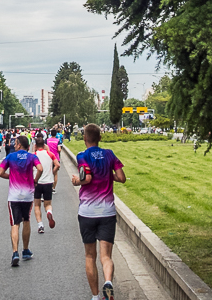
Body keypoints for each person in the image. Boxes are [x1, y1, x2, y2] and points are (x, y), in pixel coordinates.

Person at [73, 123, 126, 300]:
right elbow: (121, 178)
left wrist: (76, 181)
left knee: (90, 256)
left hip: (87, 212)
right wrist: (105, 174)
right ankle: (108, 282)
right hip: (108, 212)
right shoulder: (110, 154)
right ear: (100, 138)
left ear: (85, 138)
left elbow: (86, 178)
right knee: (106, 256)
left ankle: (96, 297)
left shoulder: (82, 156)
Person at [0, 135, 42, 266]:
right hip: (28, 194)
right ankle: (26, 250)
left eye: (15, 143)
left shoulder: (10, 157)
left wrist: (11, 177)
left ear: (18, 145)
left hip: (14, 195)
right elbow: (40, 169)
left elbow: (0, 173)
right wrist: (35, 180)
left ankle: (15, 252)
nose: (14, 145)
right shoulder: (32, 157)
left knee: (15, 223)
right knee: (26, 220)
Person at [32, 134, 59, 234]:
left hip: (37, 182)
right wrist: (52, 172)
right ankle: (49, 212)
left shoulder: (33, 155)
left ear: (35, 146)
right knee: (48, 204)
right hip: (48, 181)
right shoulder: (50, 154)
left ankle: (40, 225)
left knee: (37, 205)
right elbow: (57, 164)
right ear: (44, 145)